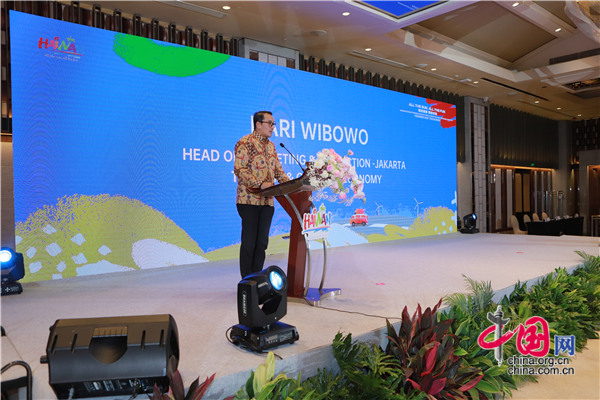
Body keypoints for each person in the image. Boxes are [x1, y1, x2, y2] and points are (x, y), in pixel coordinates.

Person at [234, 111, 290, 279]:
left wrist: (291, 185)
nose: (273, 127)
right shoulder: (245, 142)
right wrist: (259, 184)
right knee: (249, 243)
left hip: (267, 202)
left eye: (274, 124)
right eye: (270, 123)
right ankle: (247, 281)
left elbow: (278, 171)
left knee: (262, 244)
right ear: (258, 124)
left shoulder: (271, 146)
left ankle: (257, 278)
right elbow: (240, 169)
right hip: (248, 200)